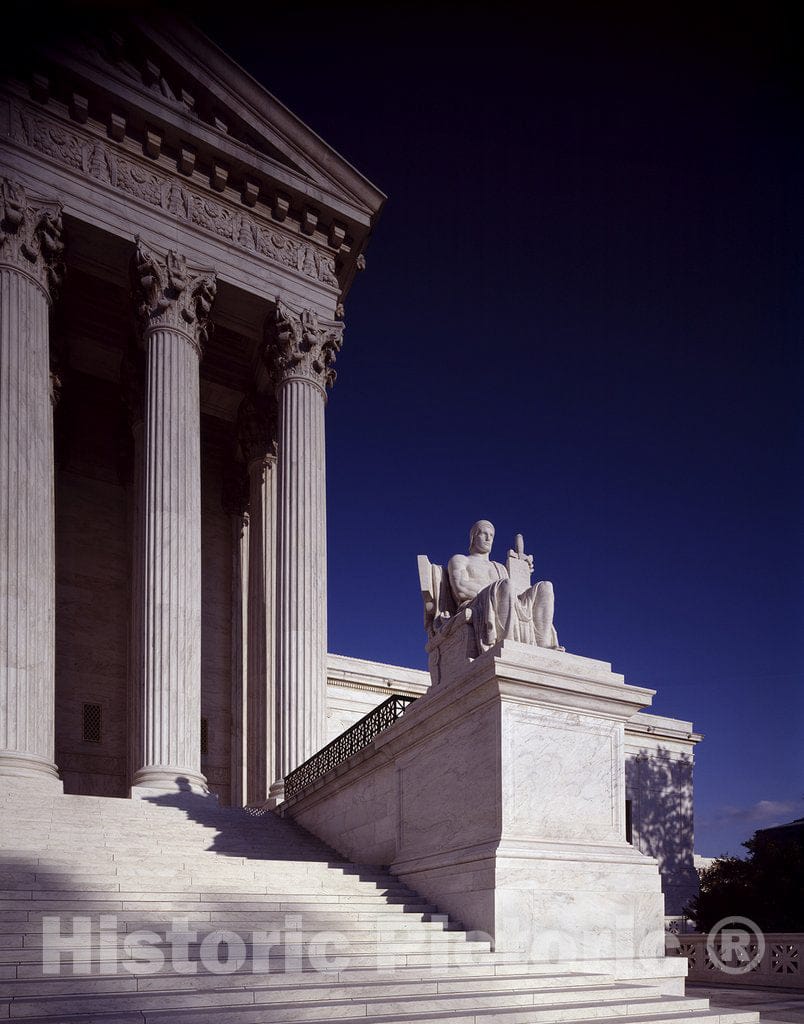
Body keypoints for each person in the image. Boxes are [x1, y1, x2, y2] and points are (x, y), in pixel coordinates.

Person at [447, 520, 562, 652]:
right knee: (505, 585)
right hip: (475, 603)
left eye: (491, 535)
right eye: (484, 533)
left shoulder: (500, 567)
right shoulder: (461, 559)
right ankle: (507, 640)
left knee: (545, 587)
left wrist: (523, 571)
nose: (488, 538)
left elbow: (515, 593)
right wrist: (496, 592)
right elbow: (461, 588)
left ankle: (543, 644)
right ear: (474, 537)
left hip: (502, 599)